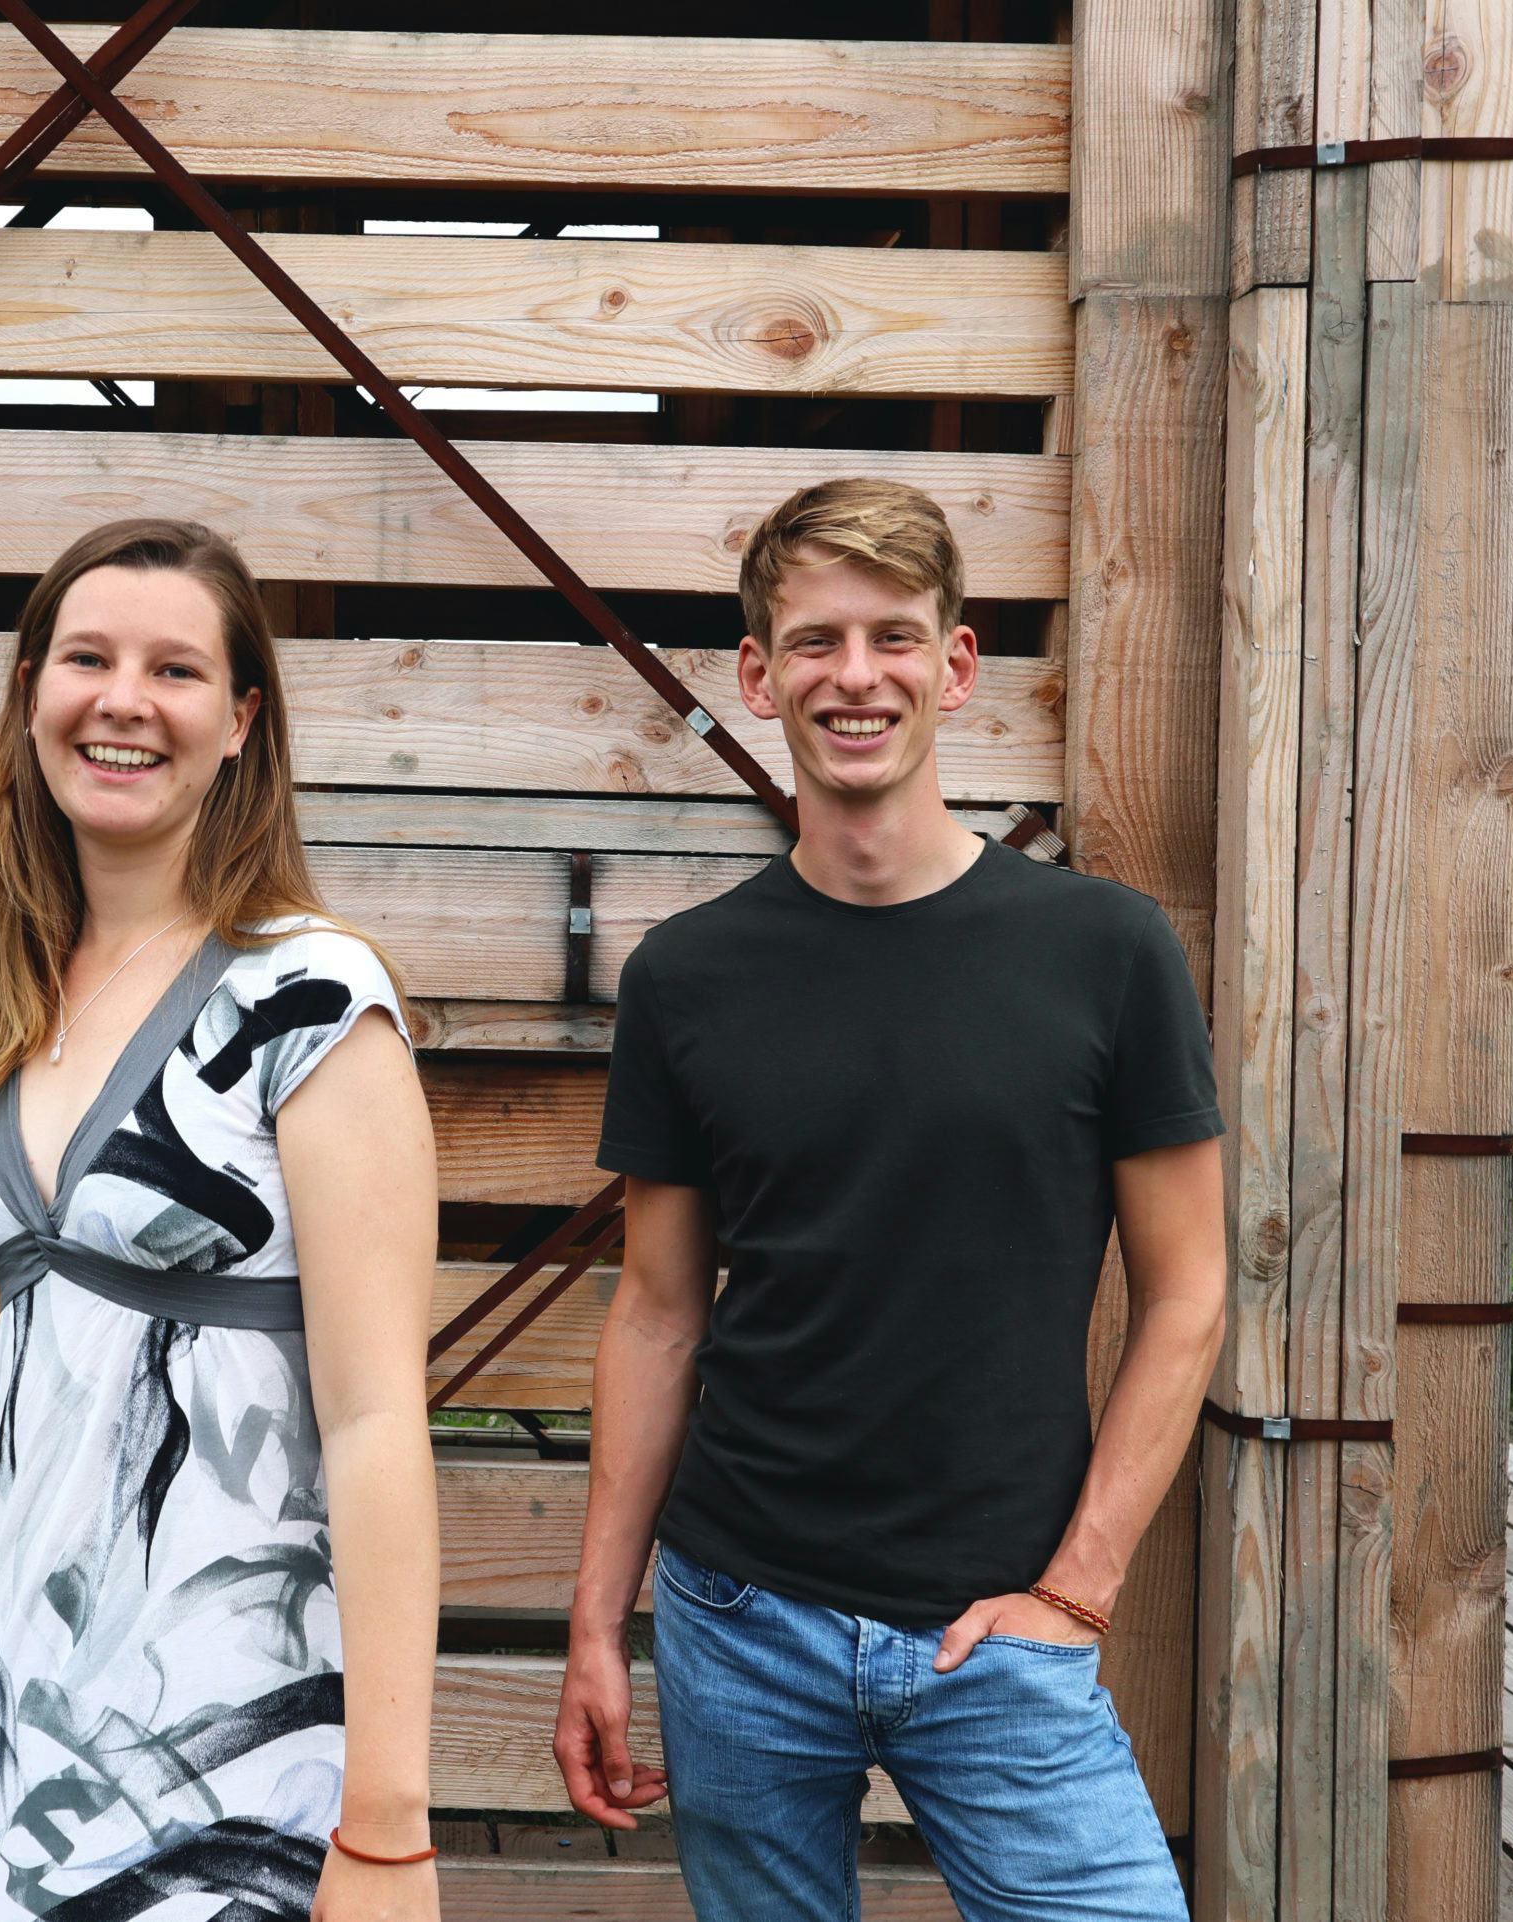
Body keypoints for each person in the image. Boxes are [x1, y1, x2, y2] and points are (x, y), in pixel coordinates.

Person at [553, 478, 1225, 1922]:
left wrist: (1077, 1592)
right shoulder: (686, 978)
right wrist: (598, 1620)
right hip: (737, 1617)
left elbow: (1189, 1291)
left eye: (893, 636)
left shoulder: (1105, 951)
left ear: (956, 664)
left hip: (1000, 1632)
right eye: (814, 641)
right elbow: (662, 1317)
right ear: (758, 675)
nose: (854, 675)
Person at [0, 519, 442, 1921]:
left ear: (241, 719)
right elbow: (35, 1407)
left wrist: (387, 1828)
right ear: (32, 695)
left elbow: (380, 1421)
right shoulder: (24, 999)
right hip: (14, 1751)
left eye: (177, 668)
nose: (124, 698)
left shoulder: (312, 1000)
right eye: (89, 657)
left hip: (219, 1764)